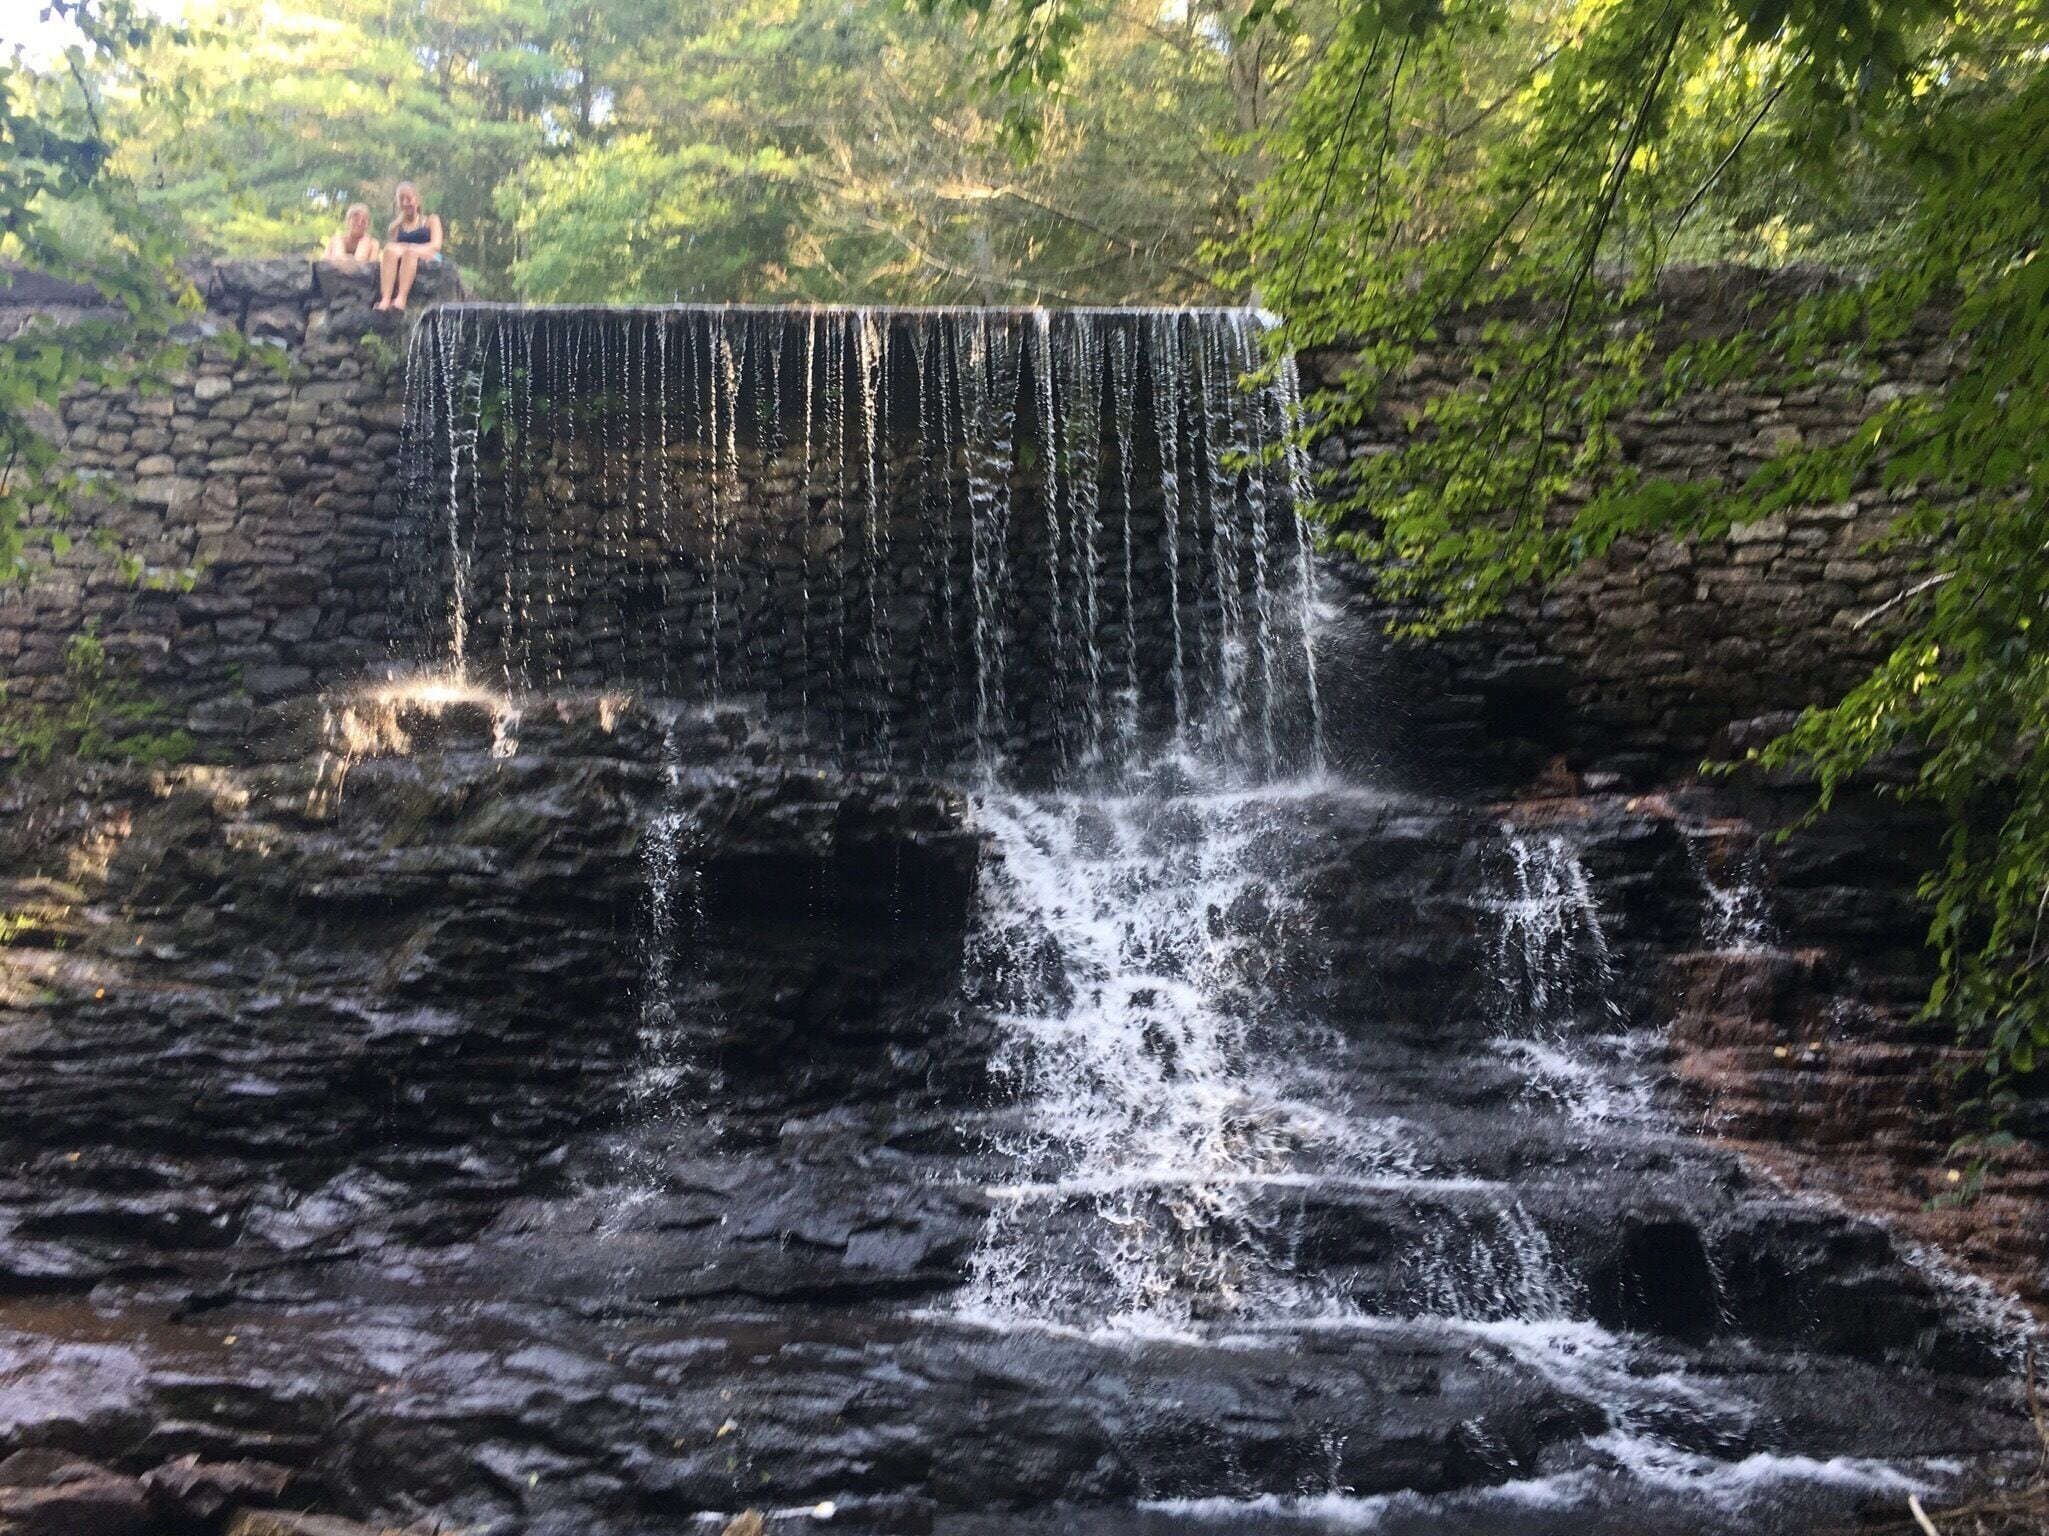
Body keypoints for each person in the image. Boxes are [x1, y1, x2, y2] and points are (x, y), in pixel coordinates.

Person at [376, 182, 443, 311]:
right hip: (405, 256)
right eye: (402, 199)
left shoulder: (431, 220)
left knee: (410, 252)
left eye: (408, 198)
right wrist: (402, 249)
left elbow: (436, 245)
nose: (406, 203)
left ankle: (401, 298)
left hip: (430, 254)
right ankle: (386, 298)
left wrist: (409, 247)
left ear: (417, 200)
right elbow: (394, 250)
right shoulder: (396, 227)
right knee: (389, 249)